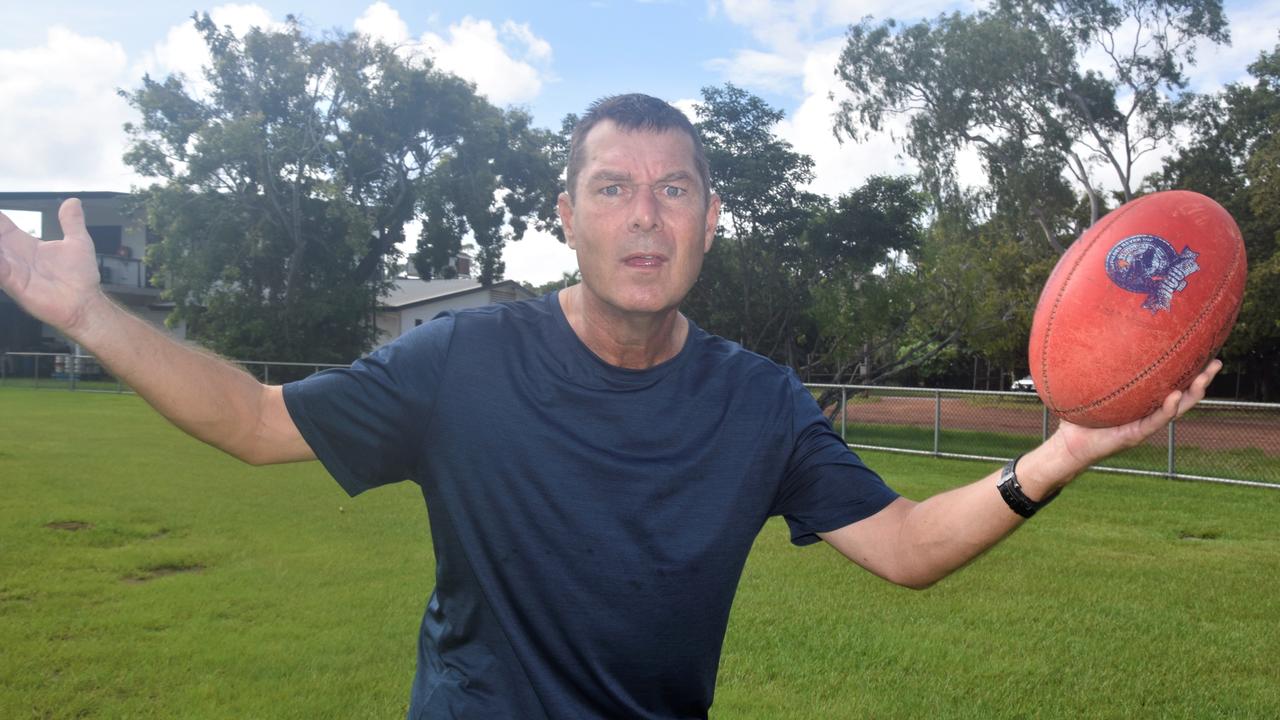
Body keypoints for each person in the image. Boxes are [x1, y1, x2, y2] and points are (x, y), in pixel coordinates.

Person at [0, 93, 1219, 719]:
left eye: (674, 189)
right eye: (613, 187)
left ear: (709, 219)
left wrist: (1061, 452)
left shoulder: (757, 403)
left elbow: (901, 548)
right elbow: (261, 423)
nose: (645, 214)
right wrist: (96, 319)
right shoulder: (460, 363)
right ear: (567, 215)